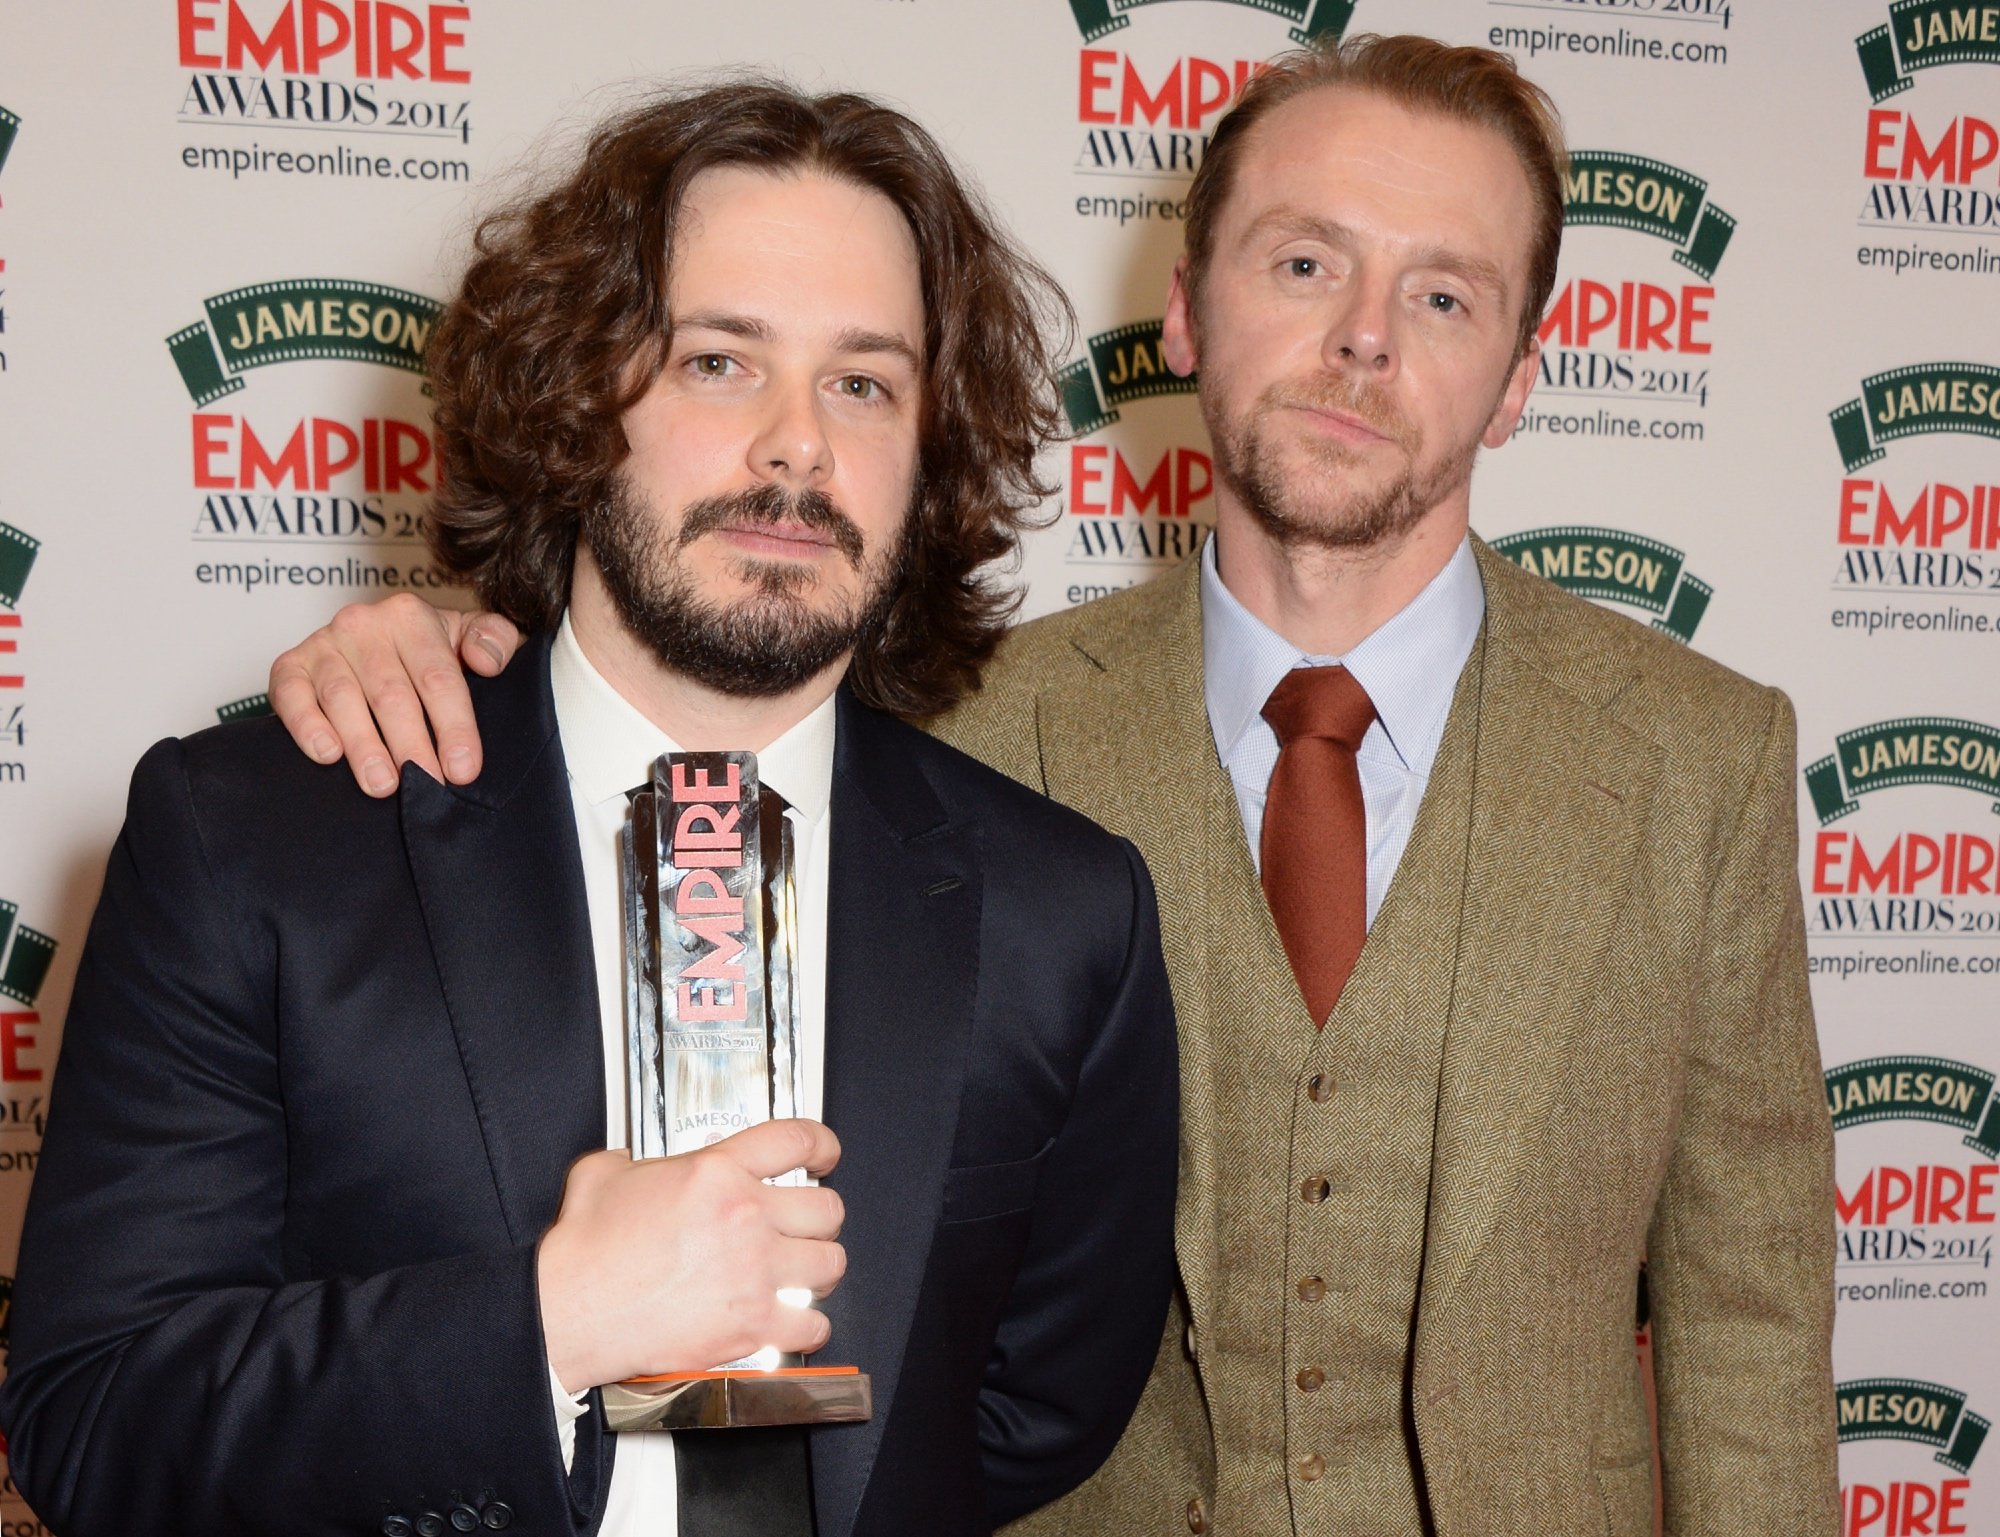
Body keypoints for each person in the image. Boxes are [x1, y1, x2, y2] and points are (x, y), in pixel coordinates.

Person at [252, 35, 1840, 1536]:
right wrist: (432, 646)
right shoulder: (949, 724)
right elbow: (659, 671)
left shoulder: (1701, 759)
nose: (1365, 335)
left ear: (1515, 377)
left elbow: (1751, 1325)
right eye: (1305, 262)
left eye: (1443, 293)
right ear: (1190, 313)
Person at [0, 84, 1180, 1537]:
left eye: (864, 382)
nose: (798, 444)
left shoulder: (1065, 910)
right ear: (577, 397)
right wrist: (551, 1320)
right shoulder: (254, 842)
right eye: (718, 362)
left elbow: (1021, 1415)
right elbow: (95, 1414)